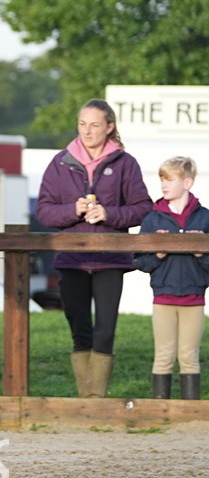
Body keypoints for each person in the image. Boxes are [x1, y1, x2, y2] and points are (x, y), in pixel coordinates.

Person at [35, 99, 151, 398]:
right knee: (79, 327)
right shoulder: (60, 162)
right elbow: (44, 211)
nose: (87, 131)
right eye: (82, 124)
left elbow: (142, 209)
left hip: (111, 258)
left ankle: (96, 399)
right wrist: (72, 210)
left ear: (109, 127)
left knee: (106, 330)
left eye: (95, 125)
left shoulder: (126, 163)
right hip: (71, 257)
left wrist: (109, 214)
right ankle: (85, 399)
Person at [133, 157, 209, 400]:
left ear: (187, 182)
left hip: (194, 297)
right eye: (162, 179)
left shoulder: (205, 218)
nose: (164, 185)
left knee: (189, 356)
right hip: (163, 297)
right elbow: (139, 261)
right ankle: (160, 410)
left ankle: (189, 411)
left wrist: (200, 253)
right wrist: (158, 253)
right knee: (163, 354)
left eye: (170, 179)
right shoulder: (152, 219)